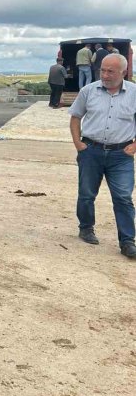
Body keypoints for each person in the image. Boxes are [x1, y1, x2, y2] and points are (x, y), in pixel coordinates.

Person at [69, 53, 136, 259]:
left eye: (111, 71)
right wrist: (79, 144)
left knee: (123, 197)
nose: (105, 75)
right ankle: (86, 228)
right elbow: (75, 117)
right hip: (91, 151)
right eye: (103, 70)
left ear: (123, 72)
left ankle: (127, 241)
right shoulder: (88, 91)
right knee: (87, 193)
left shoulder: (134, 93)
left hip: (121, 155)